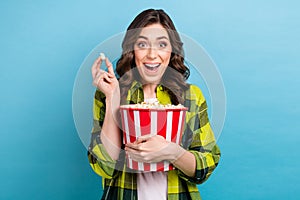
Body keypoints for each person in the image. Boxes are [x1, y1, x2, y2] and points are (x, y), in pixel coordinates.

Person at [88, 8, 221, 200]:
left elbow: (206, 166)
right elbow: (104, 166)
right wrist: (112, 98)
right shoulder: (108, 94)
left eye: (162, 44)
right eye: (142, 44)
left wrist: (173, 153)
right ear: (132, 50)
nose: (152, 54)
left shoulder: (191, 96)